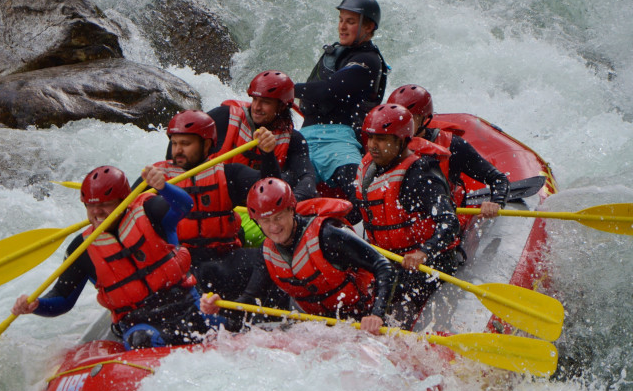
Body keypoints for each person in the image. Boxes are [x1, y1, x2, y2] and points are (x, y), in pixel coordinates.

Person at [11, 165, 219, 350]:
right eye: (90, 206)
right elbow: (63, 298)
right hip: (140, 322)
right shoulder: (82, 248)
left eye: (106, 204)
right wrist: (36, 305)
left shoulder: (149, 211)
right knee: (142, 340)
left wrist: (164, 187)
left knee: (221, 327)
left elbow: (184, 206)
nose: (97, 212)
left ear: (124, 200)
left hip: (186, 304)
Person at [201, 178, 396, 334]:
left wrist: (377, 315)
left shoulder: (327, 234)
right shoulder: (268, 252)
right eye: (266, 221)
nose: (274, 227)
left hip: (364, 319)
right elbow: (251, 300)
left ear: (291, 210)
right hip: (321, 327)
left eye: (278, 217)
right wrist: (219, 306)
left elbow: (383, 266)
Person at [151, 110, 283, 301]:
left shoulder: (228, 174)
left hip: (225, 260)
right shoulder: (156, 178)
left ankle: (246, 305)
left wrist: (267, 154)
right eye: (175, 143)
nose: (178, 150)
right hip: (181, 264)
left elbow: (271, 191)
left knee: (270, 257)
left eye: (186, 144)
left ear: (206, 144)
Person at [355, 104, 460, 329]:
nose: (373, 145)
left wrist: (424, 252)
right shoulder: (369, 170)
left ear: (402, 140)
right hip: (389, 263)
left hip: (430, 265)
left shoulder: (421, 176)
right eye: (370, 137)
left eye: (381, 139)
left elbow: (450, 222)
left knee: (397, 317)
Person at [293, 0, 389, 207]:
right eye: (341, 20)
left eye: (351, 22)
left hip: (341, 140)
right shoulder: (338, 53)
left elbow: (329, 90)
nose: (342, 27)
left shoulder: (368, 60)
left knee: (359, 196)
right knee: (288, 190)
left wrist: (288, 89)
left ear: (369, 27)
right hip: (305, 137)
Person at [386, 84, 510, 219]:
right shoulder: (382, 148)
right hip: (399, 227)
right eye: (396, 119)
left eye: (408, 118)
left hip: (444, 227)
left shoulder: (453, 146)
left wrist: (496, 203)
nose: (400, 126)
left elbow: (498, 179)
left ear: (424, 118)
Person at [205, 70, 317, 202]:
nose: (256, 107)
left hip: (260, 208)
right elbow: (186, 143)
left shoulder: (293, 139)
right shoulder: (224, 116)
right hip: (215, 197)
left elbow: (307, 179)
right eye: (255, 99)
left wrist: (290, 203)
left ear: (281, 106)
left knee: (289, 179)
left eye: (265, 102)